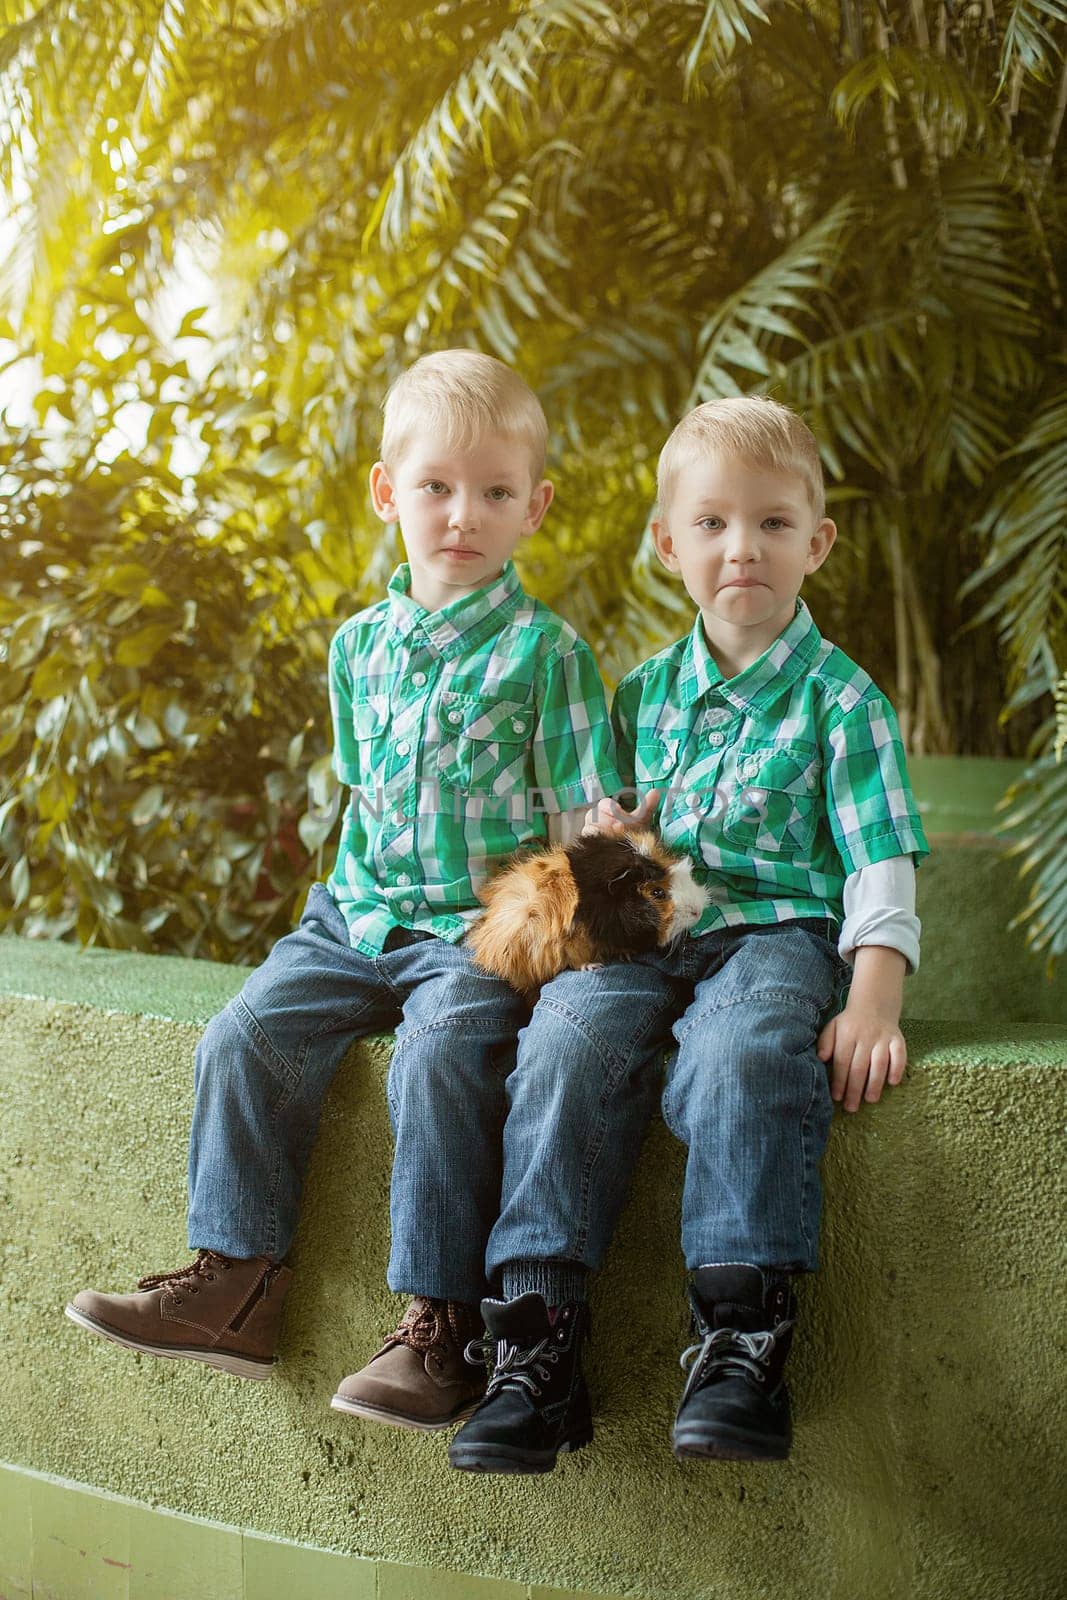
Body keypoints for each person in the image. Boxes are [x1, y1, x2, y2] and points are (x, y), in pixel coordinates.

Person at [65, 349, 628, 1435]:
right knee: (240, 1035)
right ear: (387, 492)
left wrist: (570, 954)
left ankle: (440, 1326)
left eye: (495, 493)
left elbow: (573, 828)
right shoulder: (357, 650)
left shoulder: (546, 654)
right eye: (435, 487)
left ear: (534, 508)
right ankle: (236, 1281)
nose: (462, 514)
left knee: (437, 1058)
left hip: (467, 935)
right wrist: (332, 925)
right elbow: (366, 797)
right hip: (353, 913)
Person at [447, 395, 928, 1471]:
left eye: (769, 522)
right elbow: (617, 834)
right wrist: (611, 833)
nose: (740, 547)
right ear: (667, 545)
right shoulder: (648, 692)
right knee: (568, 1030)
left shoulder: (841, 703)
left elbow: (877, 861)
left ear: (816, 540)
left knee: (737, 1047)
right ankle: (534, 1341)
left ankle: (738, 1338)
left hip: (776, 937)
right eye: (709, 523)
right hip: (651, 931)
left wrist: (872, 997)